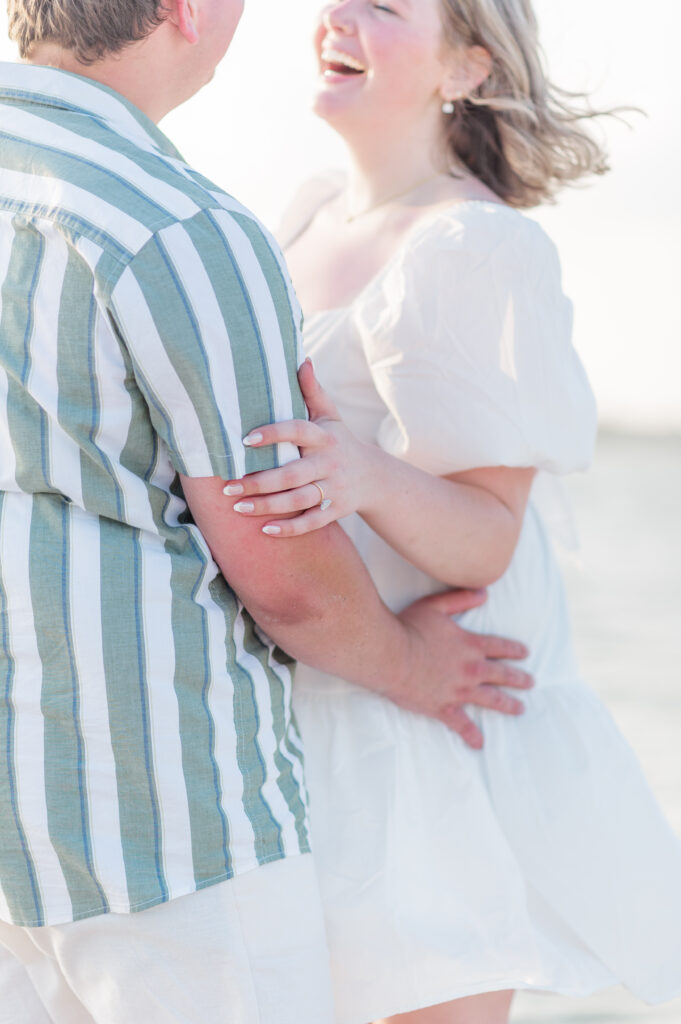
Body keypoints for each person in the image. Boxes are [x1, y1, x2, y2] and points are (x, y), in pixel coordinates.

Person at [0, 1, 536, 1022]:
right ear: (184, 11)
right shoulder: (178, 224)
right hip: (168, 821)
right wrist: (420, 665)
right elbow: (285, 570)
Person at [225, 0, 681, 1021]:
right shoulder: (299, 215)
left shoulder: (473, 245)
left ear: (466, 68)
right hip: (321, 700)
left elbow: (488, 533)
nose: (336, 18)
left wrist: (364, 475)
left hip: (431, 733)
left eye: (381, 8)